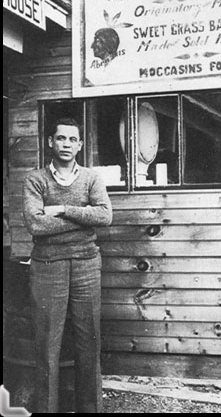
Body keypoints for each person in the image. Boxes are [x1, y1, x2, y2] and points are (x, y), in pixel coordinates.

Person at [23, 117, 112, 413]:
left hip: (86, 265)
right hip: (48, 267)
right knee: (47, 345)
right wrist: (81, 221)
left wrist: (62, 210)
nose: (66, 145)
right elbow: (36, 224)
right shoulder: (35, 180)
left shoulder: (91, 178)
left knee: (89, 343)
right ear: (51, 142)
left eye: (73, 140)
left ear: (80, 145)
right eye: (61, 138)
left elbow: (104, 216)